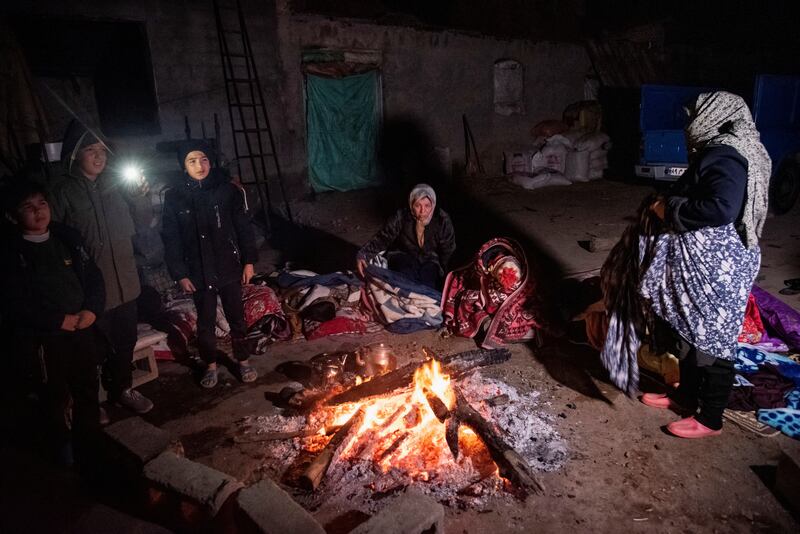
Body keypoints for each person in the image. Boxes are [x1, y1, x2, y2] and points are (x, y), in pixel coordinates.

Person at [600, 91, 771, 439]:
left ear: (712, 116)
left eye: (694, 114)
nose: (689, 122)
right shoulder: (733, 147)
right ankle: (684, 395)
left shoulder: (726, 154)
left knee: (714, 341)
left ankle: (710, 419)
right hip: (706, 263)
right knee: (689, 331)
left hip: (718, 267)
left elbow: (721, 207)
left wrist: (671, 210)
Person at [50, 120, 154, 415]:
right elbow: (55, 240)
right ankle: (91, 402)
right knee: (91, 351)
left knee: (125, 342)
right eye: (90, 150)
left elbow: (144, 222)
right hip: (91, 290)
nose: (99, 157)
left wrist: (140, 197)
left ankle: (122, 389)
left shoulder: (117, 185)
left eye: (102, 150)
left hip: (126, 282)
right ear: (74, 155)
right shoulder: (63, 192)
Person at [1, 181, 104, 465]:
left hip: (81, 327)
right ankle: (63, 446)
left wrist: (92, 310)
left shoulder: (67, 239)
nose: (38, 211)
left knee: (87, 384)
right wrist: (57, 320)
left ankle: (91, 438)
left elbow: (94, 277)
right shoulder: (12, 253)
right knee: (54, 393)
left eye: (42, 203)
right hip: (45, 338)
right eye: (28, 207)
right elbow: (13, 301)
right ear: (13, 215)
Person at [161, 140, 259, 388]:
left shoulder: (227, 190)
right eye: (192, 161)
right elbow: (170, 238)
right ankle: (210, 364)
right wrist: (180, 273)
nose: (199, 165)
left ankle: (243, 360)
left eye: (203, 159)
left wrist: (249, 261)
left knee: (237, 316)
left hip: (228, 265)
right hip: (198, 271)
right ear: (184, 166)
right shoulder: (175, 197)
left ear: (211, 161)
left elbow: (243, 228)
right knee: (205, 322)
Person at [356, 183, 455, 289]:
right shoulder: (401, 216)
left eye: (427, 206)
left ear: (433, 204)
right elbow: (384, 237)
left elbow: (448, 250)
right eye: (417, 205)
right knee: (405, 282)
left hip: (430, 259)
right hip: (403, 254)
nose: (422, 211)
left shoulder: (442, 220)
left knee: (428, 284)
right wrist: (364, 254)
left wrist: (447, 276)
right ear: (411, 204)